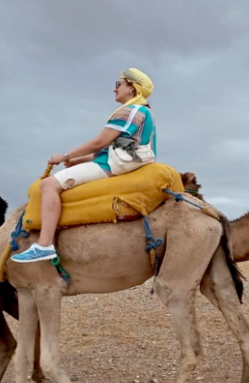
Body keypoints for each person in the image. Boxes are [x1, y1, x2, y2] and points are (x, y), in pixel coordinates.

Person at [11, 68, 155, 263]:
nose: (115, 89)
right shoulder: (144, 112)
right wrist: (78, 160)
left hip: (110, 168)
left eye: (118, 84)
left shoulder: (131, 111)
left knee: (49, 185)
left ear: (132, 88)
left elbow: (99, 143)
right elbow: (118, 151)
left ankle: (44, 245)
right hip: (113, 164)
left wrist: (64, 156)